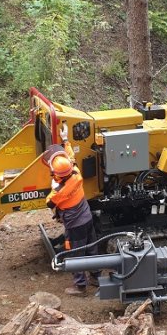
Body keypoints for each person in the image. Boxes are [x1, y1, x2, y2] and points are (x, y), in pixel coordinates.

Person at [45, 123, 100, 296]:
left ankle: (80, 286)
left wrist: (53, 183)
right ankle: (96, 277)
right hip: (87, 217)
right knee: (92, 248)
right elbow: (71, 158)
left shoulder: (58, 193)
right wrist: (66, 140)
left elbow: (49, 203)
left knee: (76, 252)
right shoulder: (76, 174)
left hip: (74, 224)